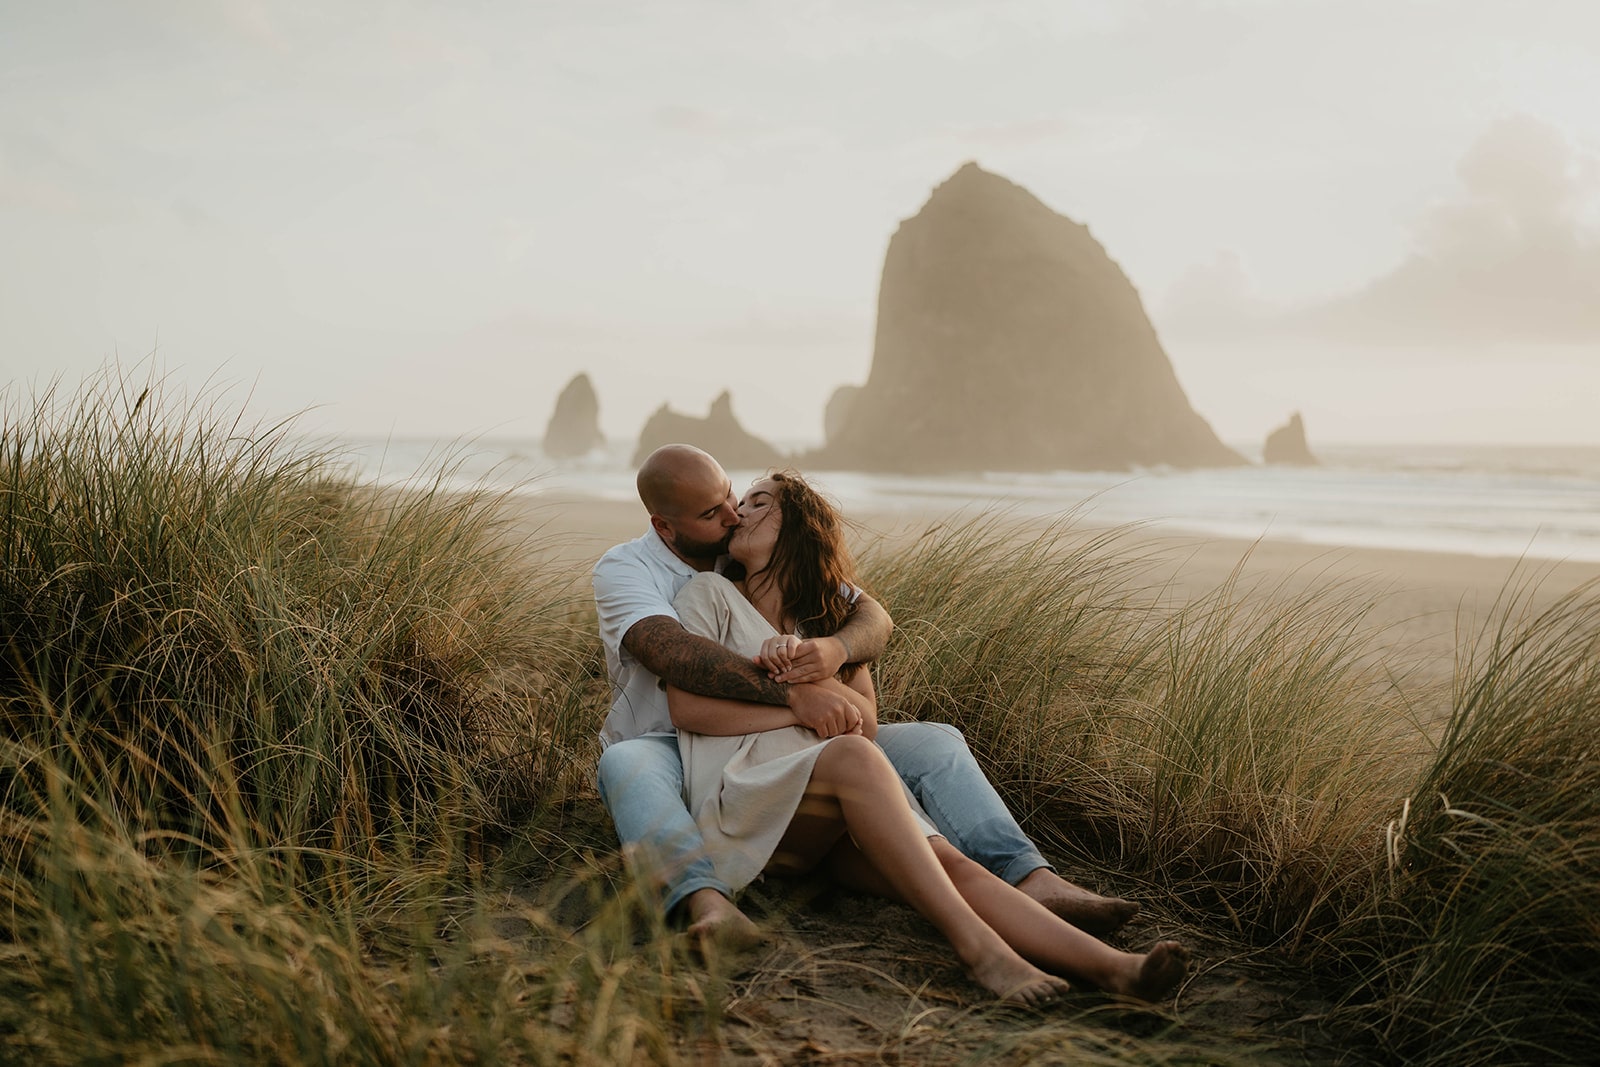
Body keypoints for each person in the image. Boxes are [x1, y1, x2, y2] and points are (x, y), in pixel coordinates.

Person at [663, 469, 1188, 1004]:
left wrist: (816, 672)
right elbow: (686, 707)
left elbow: (866, 723)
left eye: (759, 502)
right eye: (741, 503)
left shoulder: (826, 623)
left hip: (824, 816)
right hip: (745, 799)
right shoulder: (709, 595)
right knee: (854, 758)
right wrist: (799, 705)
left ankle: (1116, 970)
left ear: (797, 524)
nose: (740, 512)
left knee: (951, 864)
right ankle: (983, 952)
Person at [593, 444, 1138, 952]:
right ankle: (704, 903)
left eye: (734, 498)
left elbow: (872, 617)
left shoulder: (745, 551)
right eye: (713, 514)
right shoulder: (630, 569)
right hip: (674, 742)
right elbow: (675, 655)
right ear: (664, 526)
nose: (733, 515)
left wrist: (835, 648)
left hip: (790, 741)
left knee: (934, 741)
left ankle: (1031, 878)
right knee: (624, 761)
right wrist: (799, 697)